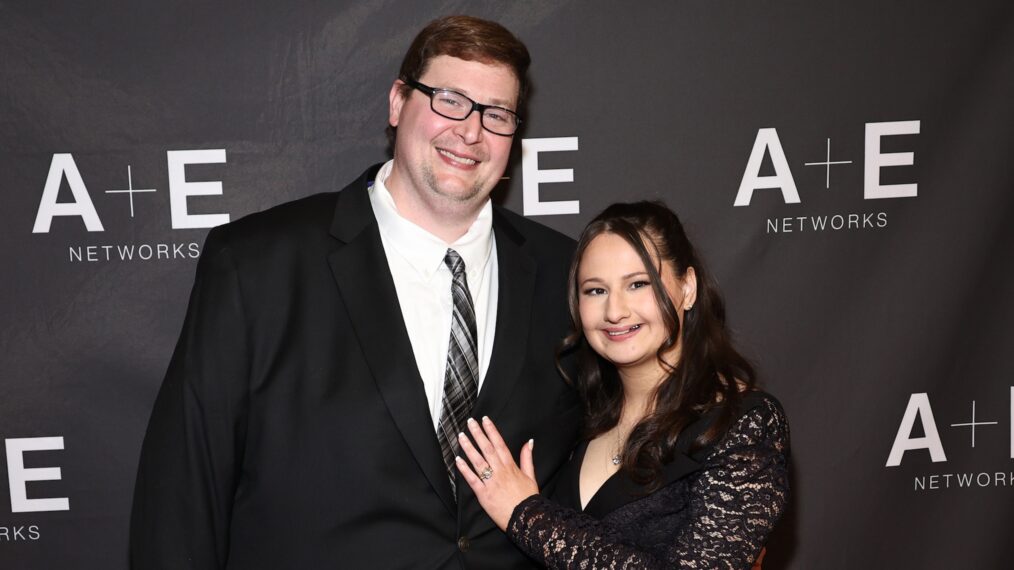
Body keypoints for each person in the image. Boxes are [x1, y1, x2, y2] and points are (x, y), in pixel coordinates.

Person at [129, 15, 581, 569]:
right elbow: (182, 497)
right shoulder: (256, 265)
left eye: (497, 114)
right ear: (397, 103)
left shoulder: (570, 276)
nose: (470, 131)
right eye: (449, 100)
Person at [455, 201, 790, 568]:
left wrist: (527, 515)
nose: (615, 311)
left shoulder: (743, 422)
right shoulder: (579, 411)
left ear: (688, 287)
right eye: (595, 290)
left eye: (637, 284)